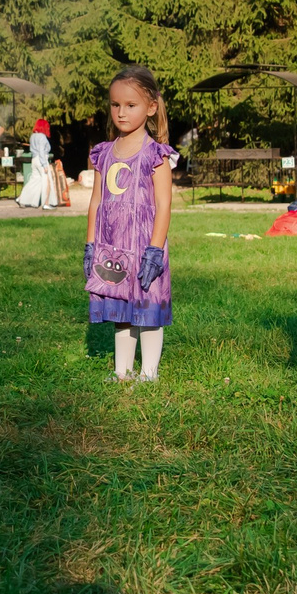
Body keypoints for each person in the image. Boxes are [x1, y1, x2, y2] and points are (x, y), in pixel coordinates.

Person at [85, 66, 177, 381]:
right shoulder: (103, 153)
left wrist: (155, 249)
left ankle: (149, 373)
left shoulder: (157, 155)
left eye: (131, 105)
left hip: (146, 246)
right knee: (120, 312)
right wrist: (90, 245)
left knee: (149, 310)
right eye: (115, 105)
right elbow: (95, 201)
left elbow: (164, 204)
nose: (121, 113)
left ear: (151, 107)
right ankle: (122, 372)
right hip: (113, 247)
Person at [16, 113, 60, 208]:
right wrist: (44, 165)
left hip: (34, 160)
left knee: (34, 181)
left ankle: (21, 198)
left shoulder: (33, 136)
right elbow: (41, 151)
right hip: (41, 159)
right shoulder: (42, 137)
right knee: (47, 181)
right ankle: (46, 203)